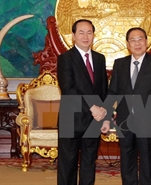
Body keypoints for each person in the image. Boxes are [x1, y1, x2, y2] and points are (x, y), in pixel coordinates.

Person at [105, 27, 151, 185]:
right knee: (127, 160)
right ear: (128, 44)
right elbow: (112, 92)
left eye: (140, 39)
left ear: (146, 42)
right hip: (125, 121)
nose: (137, 43)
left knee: (148, 161)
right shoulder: (119, 64)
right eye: (133, 40)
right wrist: (106, 117)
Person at [57, 19, 108, 185]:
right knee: (68, 165)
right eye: (81, 32)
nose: (85, 36)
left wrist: (104, 114)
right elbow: (68, 89)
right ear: (73, 36)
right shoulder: (65, 58)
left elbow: (103, 90)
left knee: (89, 164)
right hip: (71, 119)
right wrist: (92, 107)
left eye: (89, 32)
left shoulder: (100, 59)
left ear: (93, 35)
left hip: (94, 121)